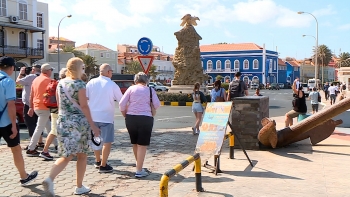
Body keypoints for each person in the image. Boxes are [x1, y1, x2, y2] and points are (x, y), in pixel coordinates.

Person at [42, 57, 100, 196]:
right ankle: (78, 186)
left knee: (66, 155)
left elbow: (59, 103)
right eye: (83, 67)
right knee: (82, 155)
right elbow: (84, 107)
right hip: (79, 124)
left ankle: (50, 178)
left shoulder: (61, 83)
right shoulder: (80, 84)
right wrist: (93, 126)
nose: (84, 70)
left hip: (63, 121)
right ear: (78, 68)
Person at [0, 56, 38, 185]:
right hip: (6, 122)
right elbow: (11, 105)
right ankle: (24, 176)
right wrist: (14, 126)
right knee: (16, 150)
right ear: (11, 68)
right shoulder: (8, 81)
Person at [119, 72, 160, 178]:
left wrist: (125, 114)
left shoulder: (130, 89)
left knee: (135, 143)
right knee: (142, 145)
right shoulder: (150, 90)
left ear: (135, 80)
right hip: (145, 118)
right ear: (146, 80)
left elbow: (121, 104)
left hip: (131, 118)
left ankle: (139, 165)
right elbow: (157, 105)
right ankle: (139, 170)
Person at [86, 63, 123, 173]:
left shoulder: (91, 82)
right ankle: (103, 165)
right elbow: (121, 100)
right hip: (106, 117)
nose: (112, 73)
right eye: (111, 71)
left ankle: (97, 160)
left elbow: (86, 98)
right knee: (107, 142)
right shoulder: (112, 85)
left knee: (96, 140)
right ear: (108, 72)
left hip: (93, 116)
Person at [26, 64, 57, 157]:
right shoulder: (49, 80)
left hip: (36, 106)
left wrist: (31, 107)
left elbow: (31, 94)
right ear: (47, 71)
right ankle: (31, 148)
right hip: (45, 106)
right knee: (40, 128)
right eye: (51, 69)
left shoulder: (36, 79)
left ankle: (57, 145)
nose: (51, 71)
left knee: (49, 127)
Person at [40, 68, 68, 160]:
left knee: (57, 130)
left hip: (54, 109)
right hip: (59, 110)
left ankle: (63, 150)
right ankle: (45, 151)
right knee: (54, 131)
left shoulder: (57, 83)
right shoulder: (64, 84)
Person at [16, 64, 43, 149]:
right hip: (39, 104)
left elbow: (18, 82)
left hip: (29, 104)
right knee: (38, 124)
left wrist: (21, 73)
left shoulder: (31, 77)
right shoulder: (42, 77)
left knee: (30, 124)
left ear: (33, 70)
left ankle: (32, 144)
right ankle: (40, 141)